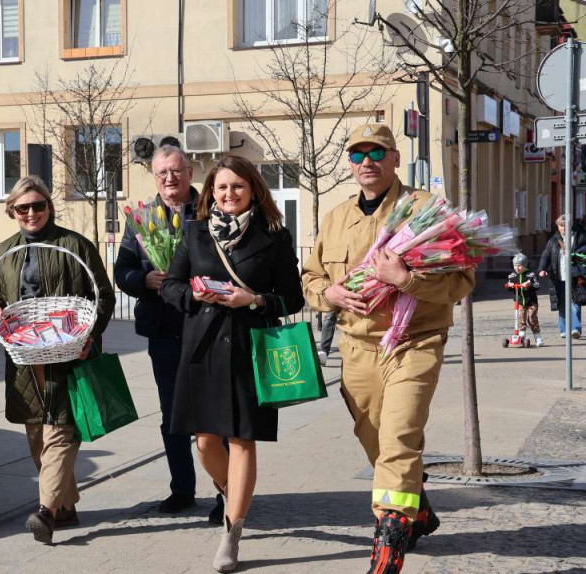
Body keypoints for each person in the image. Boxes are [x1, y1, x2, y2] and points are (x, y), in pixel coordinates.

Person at [301, 124, 474, 574]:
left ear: (395, 158)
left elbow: (462, 280)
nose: (366, 162)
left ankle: (387, 550)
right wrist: (330, 295)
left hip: (414, 342)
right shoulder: (337, 217)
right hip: (356, 348)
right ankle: (416, 511)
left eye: (376, 152)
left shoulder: (425, 209)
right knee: (376, 441)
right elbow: (312, 278)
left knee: (398, 441)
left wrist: (407, 280)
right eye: (357, 155)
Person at [162, 155, 304, 572]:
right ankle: (231, 492)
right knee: (205, 442)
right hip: (202, 346)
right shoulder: (195, 232)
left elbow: (293, 297)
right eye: (221, 188)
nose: (229, 194)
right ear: (210, 193)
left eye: (237, 187)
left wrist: (255, 299)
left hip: (250, 345)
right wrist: (193, 296)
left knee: (243, 440)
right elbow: (170, 285)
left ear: (253, 189)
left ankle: (231, 532)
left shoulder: (274, 235)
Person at [0, 175, 116, 545]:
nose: (31, 213)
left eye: (38, 206)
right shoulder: (7, 250)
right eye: (22, 208)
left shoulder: (74, 245)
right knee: (36, 432)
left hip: (70, 350)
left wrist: (91, 334)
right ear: (12, 211)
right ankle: (66, 506)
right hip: (25, 353)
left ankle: (46, 512)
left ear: (49, 207)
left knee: (62, 429)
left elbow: (102, 295)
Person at [115, 145, 226, 522]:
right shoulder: (141, 218)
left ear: (190, 171)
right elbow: (123, 271)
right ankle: (182, 489)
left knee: (215, 415)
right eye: (162, 173)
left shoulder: (213, 210)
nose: (169, 179)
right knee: (173, 415)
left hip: (210, 326)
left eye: (176, 171)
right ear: (154, 176)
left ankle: (225, 493)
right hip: (164, 330)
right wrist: (143, 279)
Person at [538, 214, 583, 339]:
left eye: (566, 225)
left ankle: (575, 329)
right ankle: (563, 329)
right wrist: (542, 268)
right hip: (559, 277)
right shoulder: (553, 241)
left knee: (575, 303)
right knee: (562, 304)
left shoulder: (578, 238)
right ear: (558, 227)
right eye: (561, 226)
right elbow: (546, 255)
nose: (564, 228)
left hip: (575, 277)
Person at [506, 253, 543, 347]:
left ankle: (538, 337)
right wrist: (509, 285)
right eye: (515, 265)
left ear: (524, 265)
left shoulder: (531, 275)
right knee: (521, 318)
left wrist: (529, 284)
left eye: (519, 265)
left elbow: (537, 286)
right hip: (520, 302)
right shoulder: (513, 276)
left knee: (532, 318)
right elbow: (509, 286)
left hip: (531, 301)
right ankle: (522, 335)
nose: (517, 268)